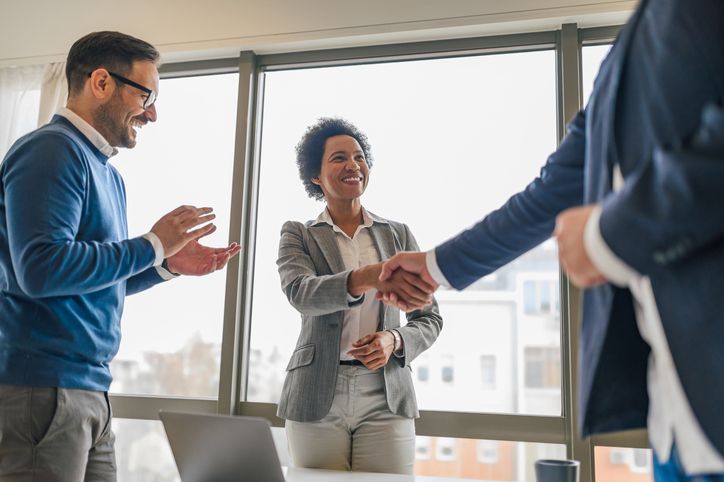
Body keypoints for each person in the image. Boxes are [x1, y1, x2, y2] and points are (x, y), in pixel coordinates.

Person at [377, 1, 724, 481]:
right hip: (678, 418)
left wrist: (607, 236)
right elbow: (551, 195)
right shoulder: (626, 54)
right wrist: (436, 267)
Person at [0, 31, 241, 481]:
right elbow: (41, 269)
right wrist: (150, 245)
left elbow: (89, 282)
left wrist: (164, 266)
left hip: (90, 393)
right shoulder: (50, 151)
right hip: (44, 389)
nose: (152, 113)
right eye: (145, 94)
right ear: (100, 82)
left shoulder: (108, 176)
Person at [276, 117, 442, 474]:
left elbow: (429, 317)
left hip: (386, 393)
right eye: (338, 158)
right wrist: (367, 276)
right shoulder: (299, 235)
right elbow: (301, 293)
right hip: (316, 391)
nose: (353, 164)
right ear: (315, 176)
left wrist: (394, 339)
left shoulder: (397, 234)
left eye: (359, 156)